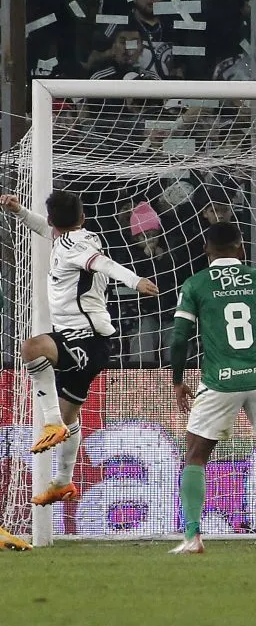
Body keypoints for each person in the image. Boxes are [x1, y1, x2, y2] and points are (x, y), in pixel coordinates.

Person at [0, 192, 157, 507]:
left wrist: (134, 280)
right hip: (90, 343)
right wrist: (18, 211)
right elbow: (46, 228)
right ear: (80, 217)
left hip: (85, 338)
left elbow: (104, 263)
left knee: (32, 348)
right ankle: (62, 481)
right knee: (71, 416)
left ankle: (51, 422)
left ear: (58, 221)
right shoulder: (69, 237)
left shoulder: (76, 246)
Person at [168, 222, 256, 554]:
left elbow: (178, 338)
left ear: (206, 249)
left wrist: (177, 380)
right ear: (241, 248)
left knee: (195, 456)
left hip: (221, 380)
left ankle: (193, 536)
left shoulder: (196, 284)